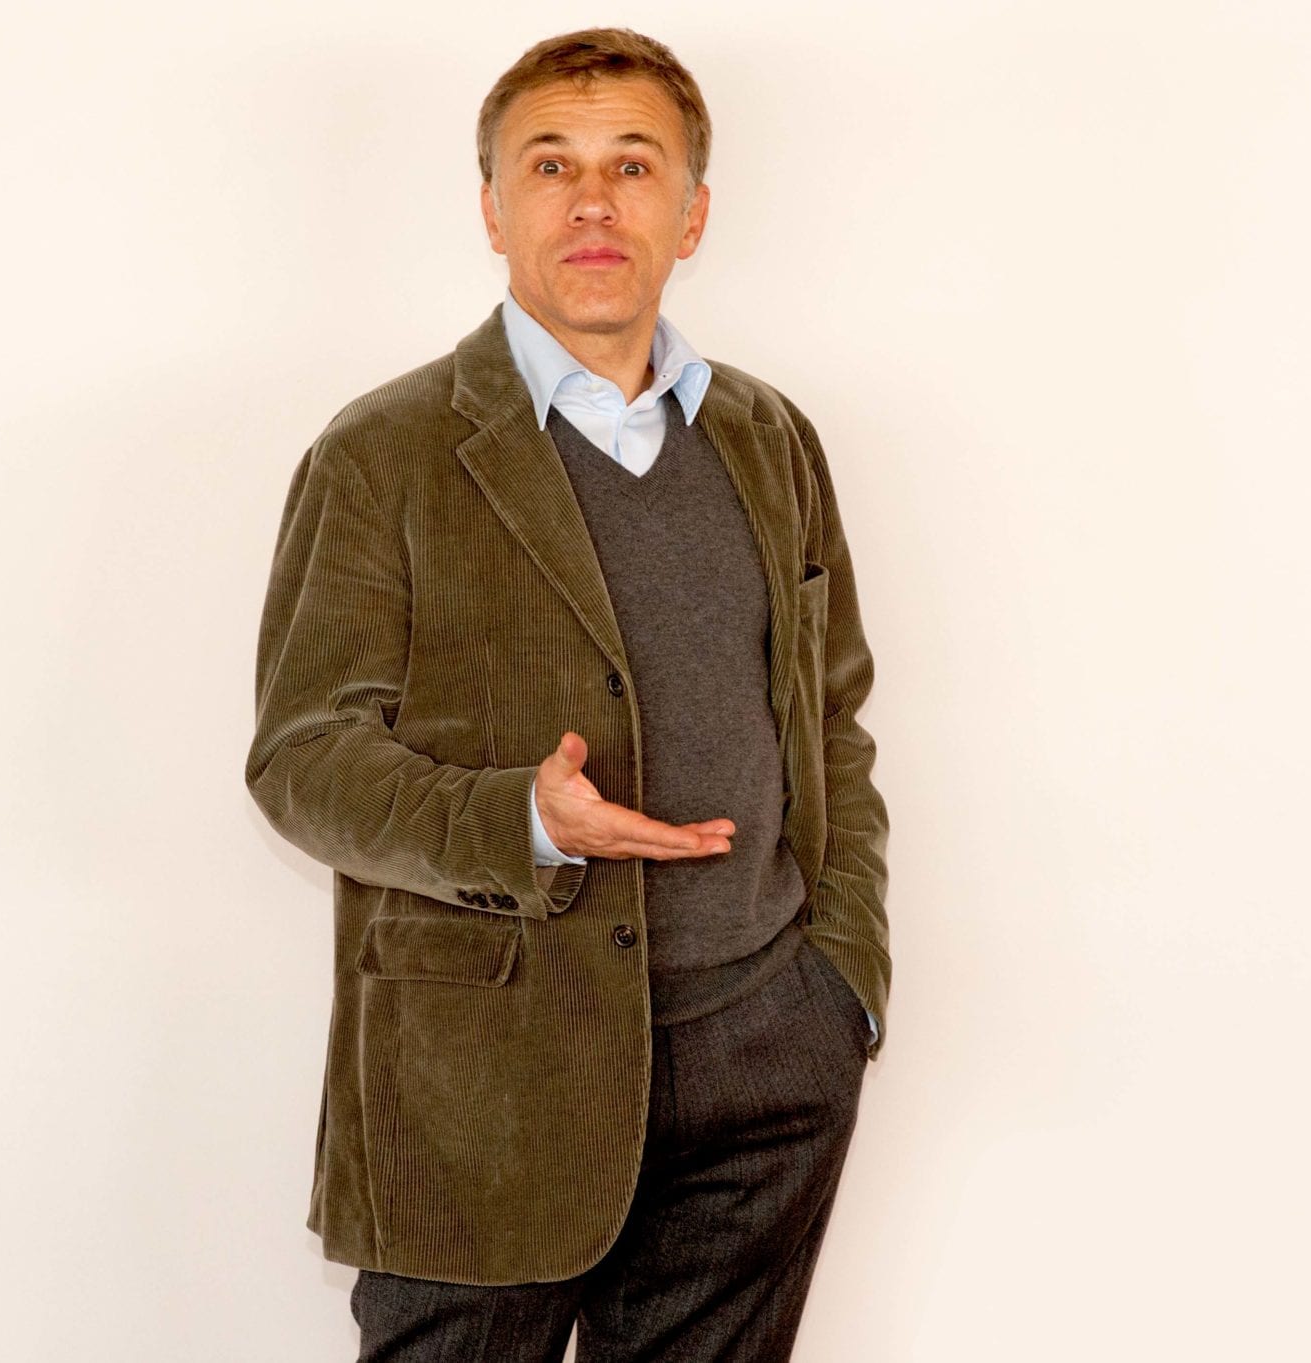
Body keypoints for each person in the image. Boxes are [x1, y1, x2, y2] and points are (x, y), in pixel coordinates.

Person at [244, 26, 891, 1362]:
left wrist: (841, 988)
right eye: (551, 165)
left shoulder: (770, 437)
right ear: (494, 210)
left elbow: (831, 717)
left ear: (691, 215)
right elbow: (301, 759)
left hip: (762, 1061)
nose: (593, 202)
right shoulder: (383, 454)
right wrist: (521, 822)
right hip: (486, 1079)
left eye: (633, 166)